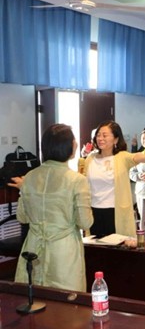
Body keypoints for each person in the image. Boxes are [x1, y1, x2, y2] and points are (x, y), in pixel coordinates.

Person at [11, 124, 93, 291]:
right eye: (74, 141)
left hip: (33, 247)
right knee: (64, 301)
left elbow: (22, 217)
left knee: (34, 296)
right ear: (68, 147)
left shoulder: (29, 177)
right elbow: (85, 222)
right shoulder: (77, 180)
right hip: (63, 250)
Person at [84, 121, 145, 237]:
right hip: (93, 211)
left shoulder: (121, 157)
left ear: (116, 139)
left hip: (115, 212)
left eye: (105, 135)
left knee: (115, 245)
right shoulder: (90, 158)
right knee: (94, 245)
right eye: (98, 135)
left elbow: (135, 157)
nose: (100, 138)